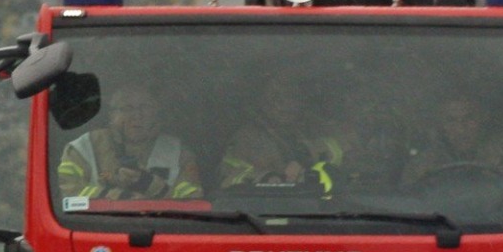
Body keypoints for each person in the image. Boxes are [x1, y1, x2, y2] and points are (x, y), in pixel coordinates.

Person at [55, 87, 203, 201]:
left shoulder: (179, 153)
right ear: (111, 115)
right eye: (126, 108)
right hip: (97, 228)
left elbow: (193, 201)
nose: (137, 115)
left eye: (145, 107)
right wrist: (117, 196)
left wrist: (150, 184)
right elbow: (67, 196)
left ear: (157, 113)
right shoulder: (83, 148)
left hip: (165, 231)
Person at [219, 93, 347, 193]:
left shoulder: (312, 126)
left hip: (321, 211)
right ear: (263, 102)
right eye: (276, 97)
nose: (284, 103)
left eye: (291, 96)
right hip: (261, 210)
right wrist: (265, 178)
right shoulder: (247, 136)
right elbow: (227, 177)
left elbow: (345, 147)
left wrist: (304, 157)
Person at [401, 95, 503, 188]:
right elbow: (411, 204)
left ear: (482, 118)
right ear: (440, 124)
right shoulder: (423, 165)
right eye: (451, 121)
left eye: (469, 118)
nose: (461, 129)